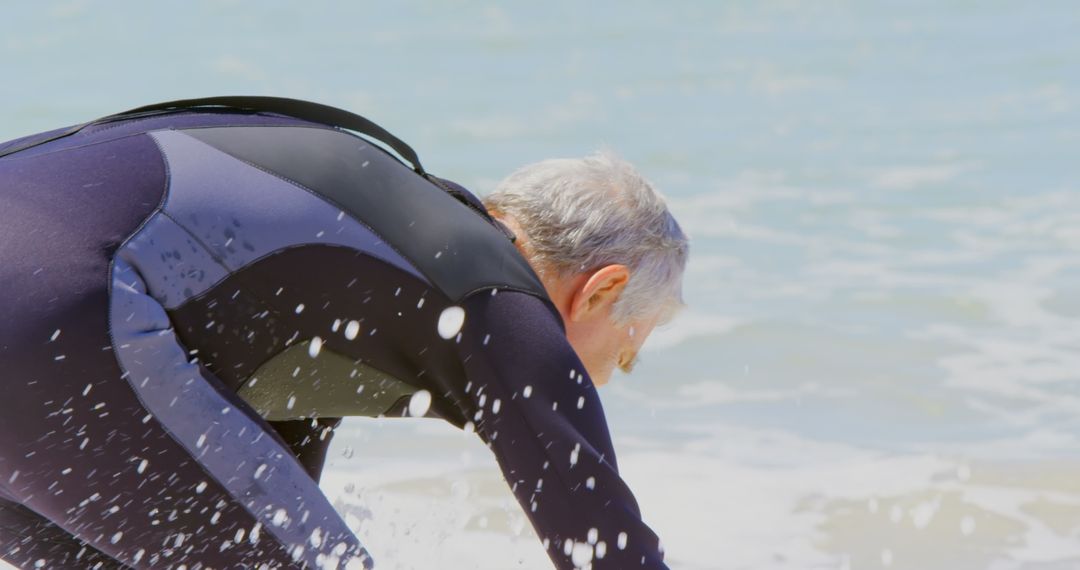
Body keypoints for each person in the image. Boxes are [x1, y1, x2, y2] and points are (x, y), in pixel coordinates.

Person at [0, 97, 688, 569]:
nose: (603, 379)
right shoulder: (493, 290)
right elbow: (602, 542)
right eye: (625, 353)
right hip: (59, 302)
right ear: (603, 288)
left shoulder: (379, 246)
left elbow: (258, 483)